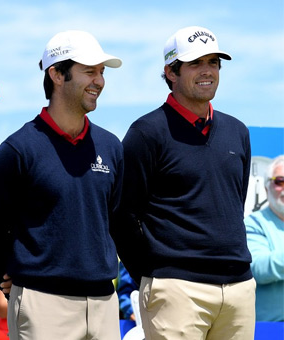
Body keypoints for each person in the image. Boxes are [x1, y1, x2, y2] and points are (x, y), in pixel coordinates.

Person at [0, 30, 123, 340]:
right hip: (42, 305)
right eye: (89, 71)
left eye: (101, 72)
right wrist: (13, 279)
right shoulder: (17, 151)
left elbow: (117, 221)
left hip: (104, 304)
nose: (99, 80)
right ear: (56, 74)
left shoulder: (112, 146)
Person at [113, 26, 256, 340]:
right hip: (175, 289)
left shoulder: (238, 131)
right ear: (170, 72)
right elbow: (123, 215)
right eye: (196, 63)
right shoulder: (146, 132)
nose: (208, 71)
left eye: (214, 62)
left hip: (239, 289)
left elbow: (234, 204)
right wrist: (154, 277)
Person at [245, 155, 284, 322]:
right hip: (270, 329)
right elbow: (258, 268)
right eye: (280, 181)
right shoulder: (253, 224)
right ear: (267, 188)